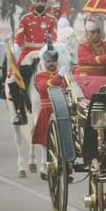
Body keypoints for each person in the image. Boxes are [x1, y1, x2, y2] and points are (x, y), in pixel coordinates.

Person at [9, 0, 57, 125]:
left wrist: (45, 49)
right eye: (38, 1)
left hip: (46, 52)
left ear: (46, 3)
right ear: (33, 2)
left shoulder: (51, 20)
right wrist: (16, 46)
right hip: (28, 52)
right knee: (13, 79)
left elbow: (55, 38)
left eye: (42, 1)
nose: (40, 3)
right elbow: (19, 36)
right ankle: (21, 113)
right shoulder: (25, 18)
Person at [32, 48, 69, 179]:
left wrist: (63, 77)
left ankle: (64, 167)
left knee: (63, 139)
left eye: (53, 61)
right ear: (44, 63)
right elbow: (44, 87)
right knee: (45, 141)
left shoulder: (63, 74)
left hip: (61, 110)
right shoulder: (40, 75)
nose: (51, 64)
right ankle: (44, 166)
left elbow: (66, 88)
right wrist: (59, 77)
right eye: (48, 61)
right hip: (47, 110)